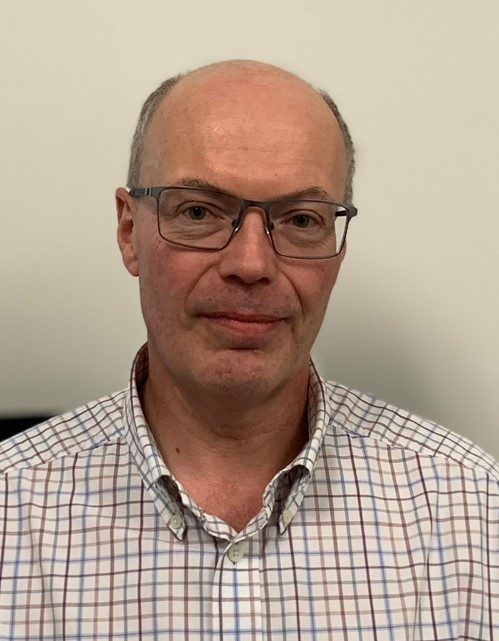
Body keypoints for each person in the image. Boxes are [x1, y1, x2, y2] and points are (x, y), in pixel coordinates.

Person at [0, 59, 497, 640]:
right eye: (199, 212)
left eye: (301, 219)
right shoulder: (13, 509)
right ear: (129, 231)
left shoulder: (470, 509)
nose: (252, 265)